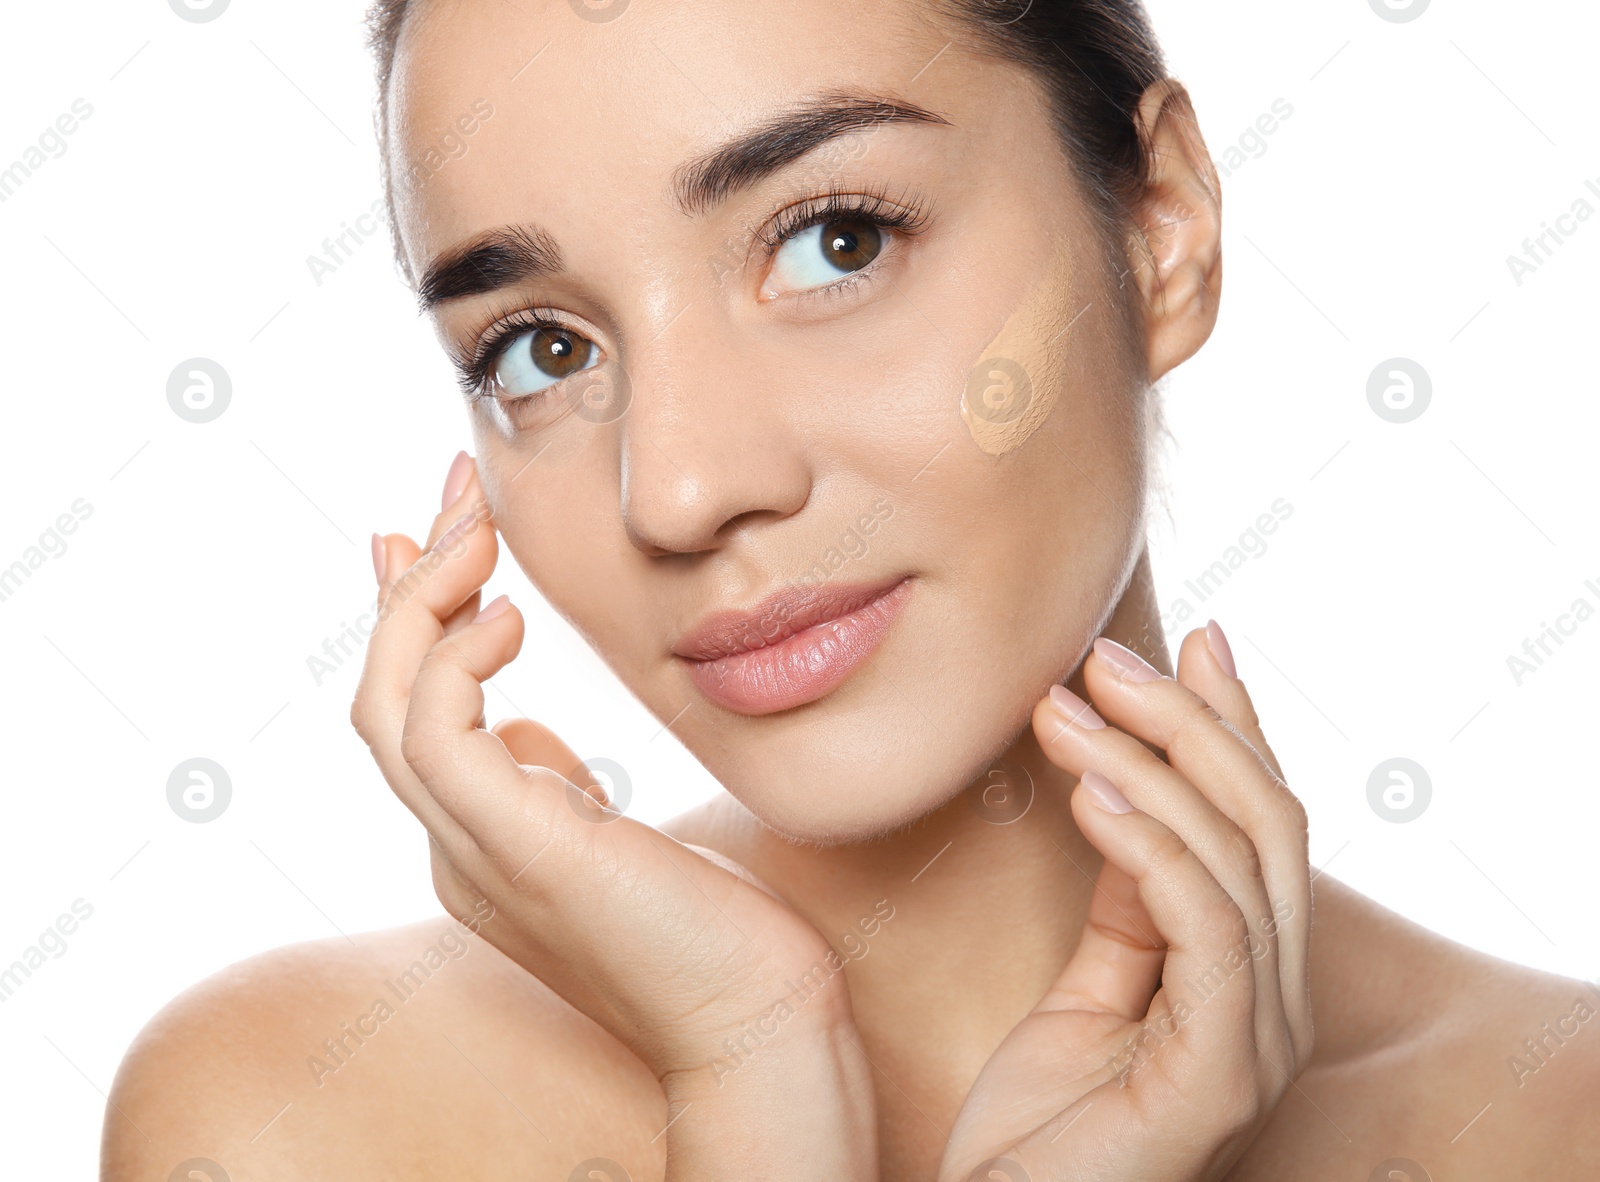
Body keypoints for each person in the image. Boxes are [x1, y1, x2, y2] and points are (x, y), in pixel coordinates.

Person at [102, 1, 1599, 1178]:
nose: (679, 489)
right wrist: (755, 1081)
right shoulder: (297, 1117)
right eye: (543, 349)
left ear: (1161, 233)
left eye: (836, 241)